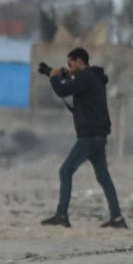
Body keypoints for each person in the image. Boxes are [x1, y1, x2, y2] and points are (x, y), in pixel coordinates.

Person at [40, 47, 126, 229]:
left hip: (90, 136)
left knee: (65, 171)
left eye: (71, 64)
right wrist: (55, 76)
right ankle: (117, 218)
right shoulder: (91, 79)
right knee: (103, 177)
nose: (69, 68)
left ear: (80, 61)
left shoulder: (86, 77)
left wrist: (54, 77)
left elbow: (63, 91)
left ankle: (62, 215)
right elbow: (73, 100)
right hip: (97, 135)